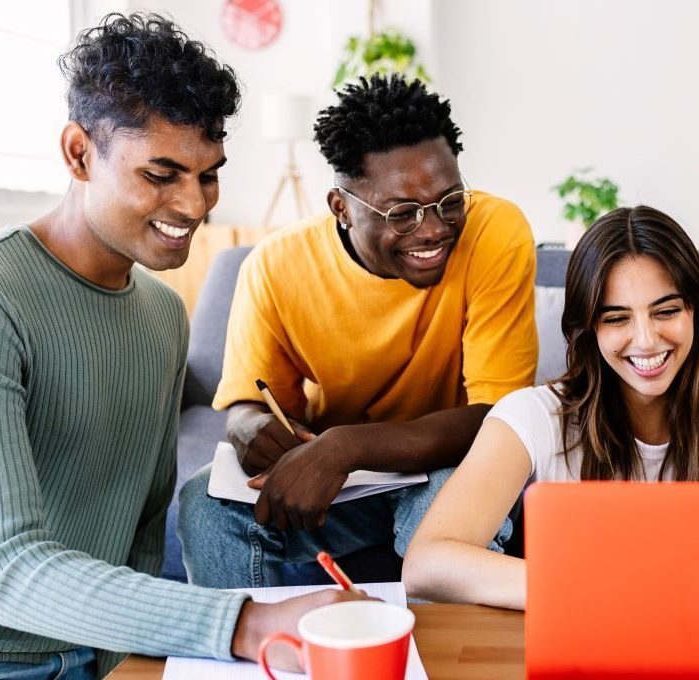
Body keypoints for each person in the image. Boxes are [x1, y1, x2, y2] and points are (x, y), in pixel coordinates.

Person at [0, 14, 365, 679]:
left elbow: (145, 527)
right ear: (78, 153)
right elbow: (2, 567)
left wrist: (122, 661)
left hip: (94, 654)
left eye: (208, 175)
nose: (194, 203)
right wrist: (247, 622)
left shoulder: (160, 312)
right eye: (162, 173)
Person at [177, 74, 538, 588]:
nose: (434, 229)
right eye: (403, 213)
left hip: (447, 459)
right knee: (204, 504)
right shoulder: (275, 267)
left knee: (442, 514)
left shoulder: (495, 231)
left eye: (450, 201)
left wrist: (345, 447)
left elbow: (499, 420)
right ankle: (247, 654)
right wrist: (251, 431)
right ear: (341, 208)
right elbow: (247, 406)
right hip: (338, 486)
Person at [402, 206, 699, 609]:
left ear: (697, 314)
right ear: (588, 328)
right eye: (617, 319)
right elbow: (427, 563)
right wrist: (602, 589)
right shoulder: (533, 416)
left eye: (666, 311)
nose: (647, 340)